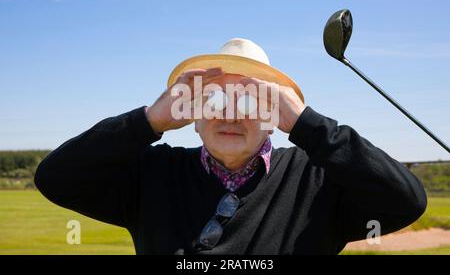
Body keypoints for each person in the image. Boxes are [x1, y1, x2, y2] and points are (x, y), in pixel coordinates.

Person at [35, 38, 427, 255]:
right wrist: (148, 121)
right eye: (215, 100)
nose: (231, 115)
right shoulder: (153, 174)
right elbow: (56, 178)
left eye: (250, 101)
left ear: (276, 118)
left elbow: (406, 201)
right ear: (191, 115)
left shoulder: (318, 180)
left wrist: (309, 124)